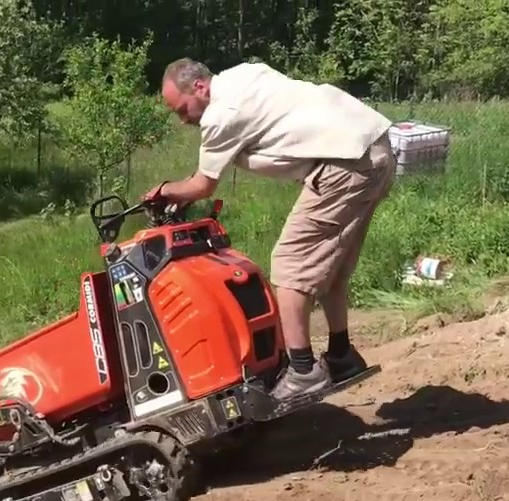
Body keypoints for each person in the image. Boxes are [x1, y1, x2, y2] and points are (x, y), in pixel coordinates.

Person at [143, 58, 397, 401]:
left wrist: (164, 190)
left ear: (200, 87)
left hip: (344, 163)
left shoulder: (220, 115)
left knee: (288, 264)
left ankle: (303, 371)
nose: (183, 118)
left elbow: (203, 185)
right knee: (331, 266)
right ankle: (341, 356)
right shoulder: (243, 74)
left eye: (182, 108)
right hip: (375, 147)